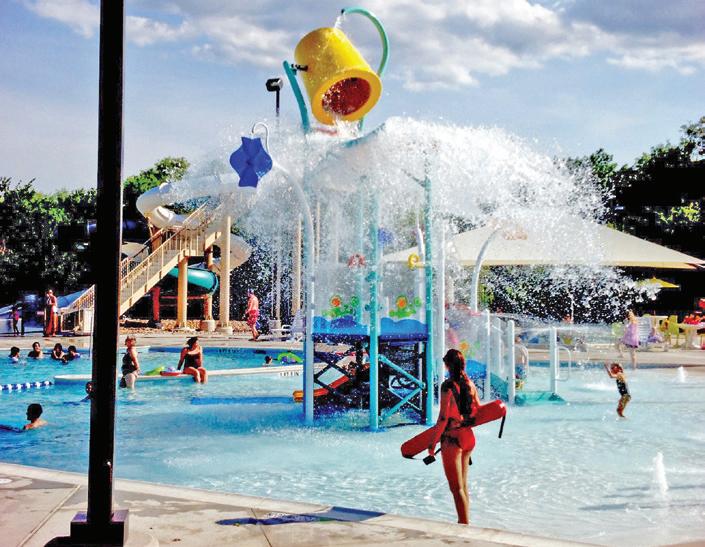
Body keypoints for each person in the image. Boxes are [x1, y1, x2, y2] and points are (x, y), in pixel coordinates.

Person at [428, 349, 482, 525]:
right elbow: (478, 410)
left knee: (456, 488)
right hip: (468, 437)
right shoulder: (470, 384)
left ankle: (463, 527)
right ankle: (465, 522)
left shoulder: (447, 386)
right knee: (463, 486)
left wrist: (432, 444)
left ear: (447, 365)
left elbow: (443, 418)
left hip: (452, 439)